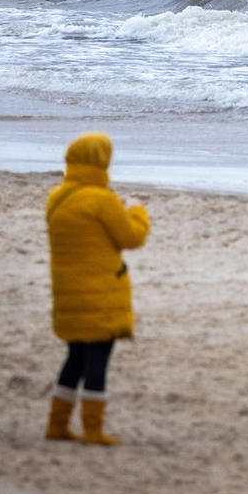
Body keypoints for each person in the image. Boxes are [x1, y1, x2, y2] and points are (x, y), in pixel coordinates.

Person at [45, 133, 150, 446]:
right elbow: (131, 237)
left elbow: (86, 229)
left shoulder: (57, 196)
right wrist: (137, 211)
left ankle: (57, 423)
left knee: (75, 356)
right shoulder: (101, 200)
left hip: (67, 290)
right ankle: (93, 428)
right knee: (97, 359)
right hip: (100, 293)